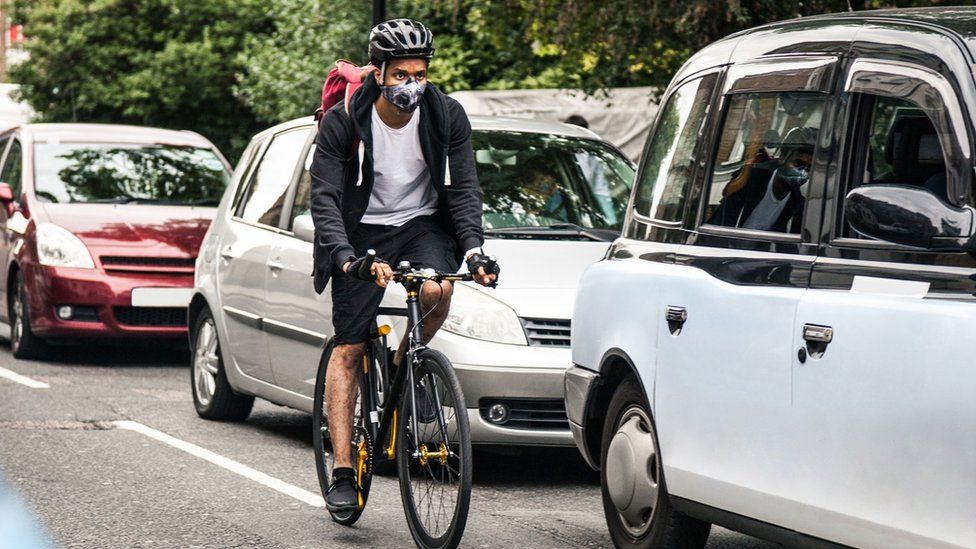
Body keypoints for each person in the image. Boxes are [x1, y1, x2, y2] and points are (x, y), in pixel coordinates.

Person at [308, 18, 499, 513]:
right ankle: (344, 470)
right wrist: (345, 258)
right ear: (379, 73)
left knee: (439, 290)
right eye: (402, 75)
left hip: (420, 224)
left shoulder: (445, 115)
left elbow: (463, 188)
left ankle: (404, 365)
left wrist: (474, 247)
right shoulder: (345, 121)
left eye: (421, 73)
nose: (413, 84)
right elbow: (325, 197)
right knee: (348, 348)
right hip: (359, 228)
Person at [709, 126, 816, 233]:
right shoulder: (748, 181)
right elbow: (720, 227)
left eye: (809, 168)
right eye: (798, 163)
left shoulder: (797, 204)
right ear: (782, 158)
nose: (803, 172)